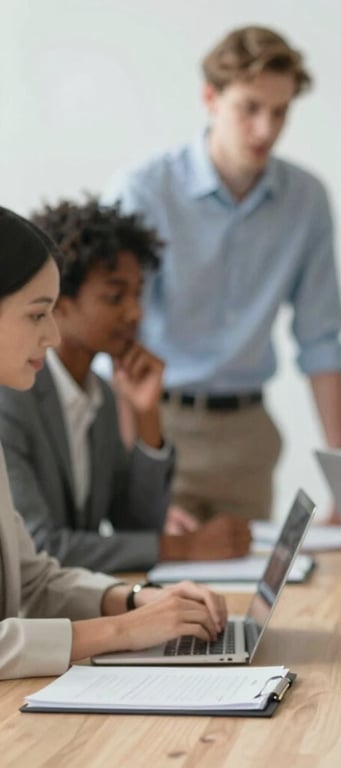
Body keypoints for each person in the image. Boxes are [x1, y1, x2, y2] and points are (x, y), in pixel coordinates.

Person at [104, 25, 341, 521]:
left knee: (254, 594)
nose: (265, 130)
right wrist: (135, 472)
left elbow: (321, 340)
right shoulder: (144, 191)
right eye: (249, 108)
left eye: (279, 113)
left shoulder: (307, 201)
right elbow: (114, 340)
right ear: (210, 98)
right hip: (158, 424)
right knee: (163, 595)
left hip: (249, 440)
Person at [0, 205, 227, 680]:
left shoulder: (99, 396)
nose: (52, 335)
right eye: (38, 314)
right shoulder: (13, 407)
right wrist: (124, 629)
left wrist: (139, 598)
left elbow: (34, 579)